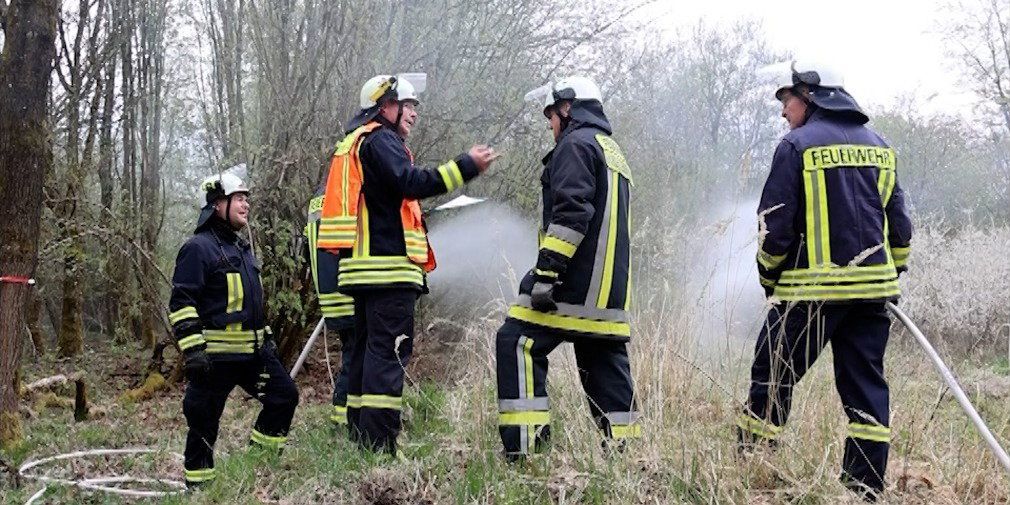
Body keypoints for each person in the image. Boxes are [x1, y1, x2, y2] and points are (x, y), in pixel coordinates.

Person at [738, 60, 913, 501]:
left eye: (786, 100)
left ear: (810, 97)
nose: (783, 112)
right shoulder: (881, 146)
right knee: (866, 389)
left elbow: (774, 226)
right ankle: (864, 488)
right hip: (872, 297)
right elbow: (901, 227)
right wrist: (893, 273)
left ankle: (751, 467)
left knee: (772, 374)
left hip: (808, 297)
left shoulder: (795, 146)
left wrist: (768, 276)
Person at [317, 73, 497, 454]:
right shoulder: (381, 140)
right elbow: (412, 182)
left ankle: (361, 437)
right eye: (409, 105)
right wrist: (465, 166)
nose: (414, 113)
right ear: (386, 106)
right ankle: (379, 446)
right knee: (388, 353)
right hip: (387, 271)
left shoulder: (357, 143)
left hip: (363, 271)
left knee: (368, 352)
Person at [494, 76, 640, 460]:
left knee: (516, 341)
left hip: (573, 287)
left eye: (551, 115)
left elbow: (571, 216)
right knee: (604, 363)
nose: (550, 124)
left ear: (568, 108)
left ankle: (525, 454)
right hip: (609, 295)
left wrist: (546, 274)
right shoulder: (611, 150)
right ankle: (628, 457)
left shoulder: (575, 145)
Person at [168, 171, 299, 487]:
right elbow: (181, 302)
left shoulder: (241, 250)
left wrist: (266, 340)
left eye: (246, 198)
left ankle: (257, 467)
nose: (246, 204)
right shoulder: (198, 248)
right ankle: (200, 489)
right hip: (214, 361)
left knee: (284, 396)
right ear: (217, 205)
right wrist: (194, 351)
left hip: (253, 357)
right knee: (203, 425)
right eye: (239, 198)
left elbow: (251, 304)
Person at [304, 185, 355, 429]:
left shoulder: (317, 202)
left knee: (351, 355)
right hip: (350, 295)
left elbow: (309, 252)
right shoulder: (342, 196)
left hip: (330, 297)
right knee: (356, 359)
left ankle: (344, 416)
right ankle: (345, 418)